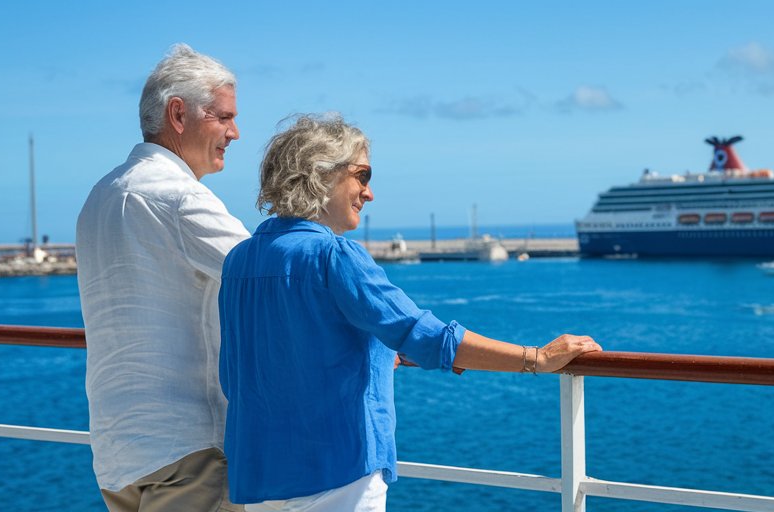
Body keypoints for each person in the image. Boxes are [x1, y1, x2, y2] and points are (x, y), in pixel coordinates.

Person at [219, 114, 602, 511]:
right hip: (337, 473)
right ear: (321, 174)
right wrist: (536, 358)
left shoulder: (240, 260)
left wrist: (379, 355)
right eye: (362, 175)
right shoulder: (333, 256)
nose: (369, 194)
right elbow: (427, 335)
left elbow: (242, 372)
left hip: (261, 474)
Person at [76, 43, 247, 512]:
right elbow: (271, 278)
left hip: (118, 452)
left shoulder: (101, 195)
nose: (235, 132)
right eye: (224, 117)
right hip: (186, 448)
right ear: (178, 113)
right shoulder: (177, 196)